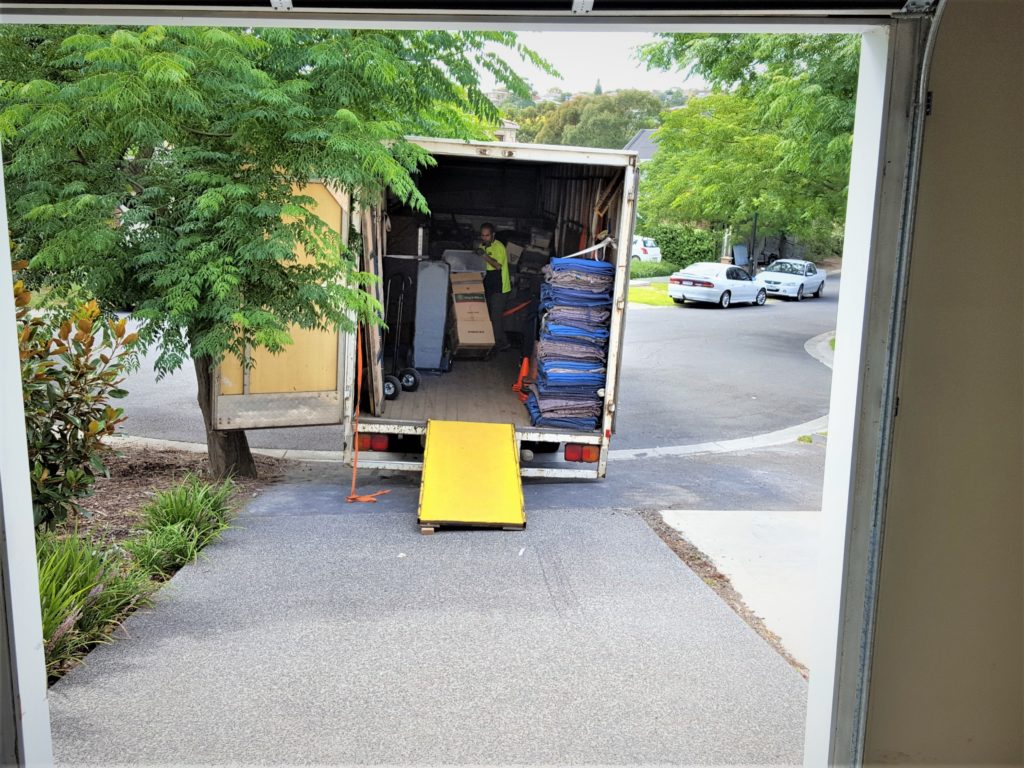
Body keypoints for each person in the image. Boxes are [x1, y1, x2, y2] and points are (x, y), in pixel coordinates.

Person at [478, 222, 511, 351]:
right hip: (489, 285)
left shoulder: (499, 247)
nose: (484, 238)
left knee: (496, 317)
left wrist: (484, 255)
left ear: (493, 235)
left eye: (487, 235)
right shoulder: (482, 246)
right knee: (489, 316)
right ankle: (497, 340)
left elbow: (497, 266)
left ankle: (500, 343)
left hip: (500, 287)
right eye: (482, 235)